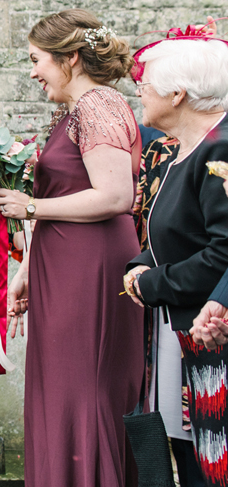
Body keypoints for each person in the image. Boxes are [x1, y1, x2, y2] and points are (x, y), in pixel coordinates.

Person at [0, 9, 143, 487]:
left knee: (83, 391)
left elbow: (116, 195)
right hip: (63, 267)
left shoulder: (98, 106)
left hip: (92, 268)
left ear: (71, 58)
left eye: (37, 60)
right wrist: (26, 272)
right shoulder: (73, 111)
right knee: (58, 392)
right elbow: (67, 196)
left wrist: (31, 208)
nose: (33, 71)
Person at [123, 36, 228, 485]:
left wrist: (152, 285)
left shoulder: (219, 149)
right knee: (190, 452)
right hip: (183, 331)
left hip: (214, 331)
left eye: (145, 85)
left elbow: (223, 250)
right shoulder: (180, 150)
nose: (138, 92)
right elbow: (169, 231)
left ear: (177, 94)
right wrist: (138, 264)